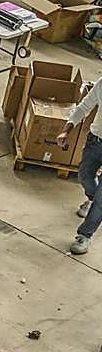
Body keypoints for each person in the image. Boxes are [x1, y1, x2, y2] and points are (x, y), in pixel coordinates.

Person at [57, 83, 102, 254]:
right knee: (85, 177)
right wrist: (66, 131)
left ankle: (85, 235)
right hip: (96, 141)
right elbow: (84, 107)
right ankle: (92, 198)